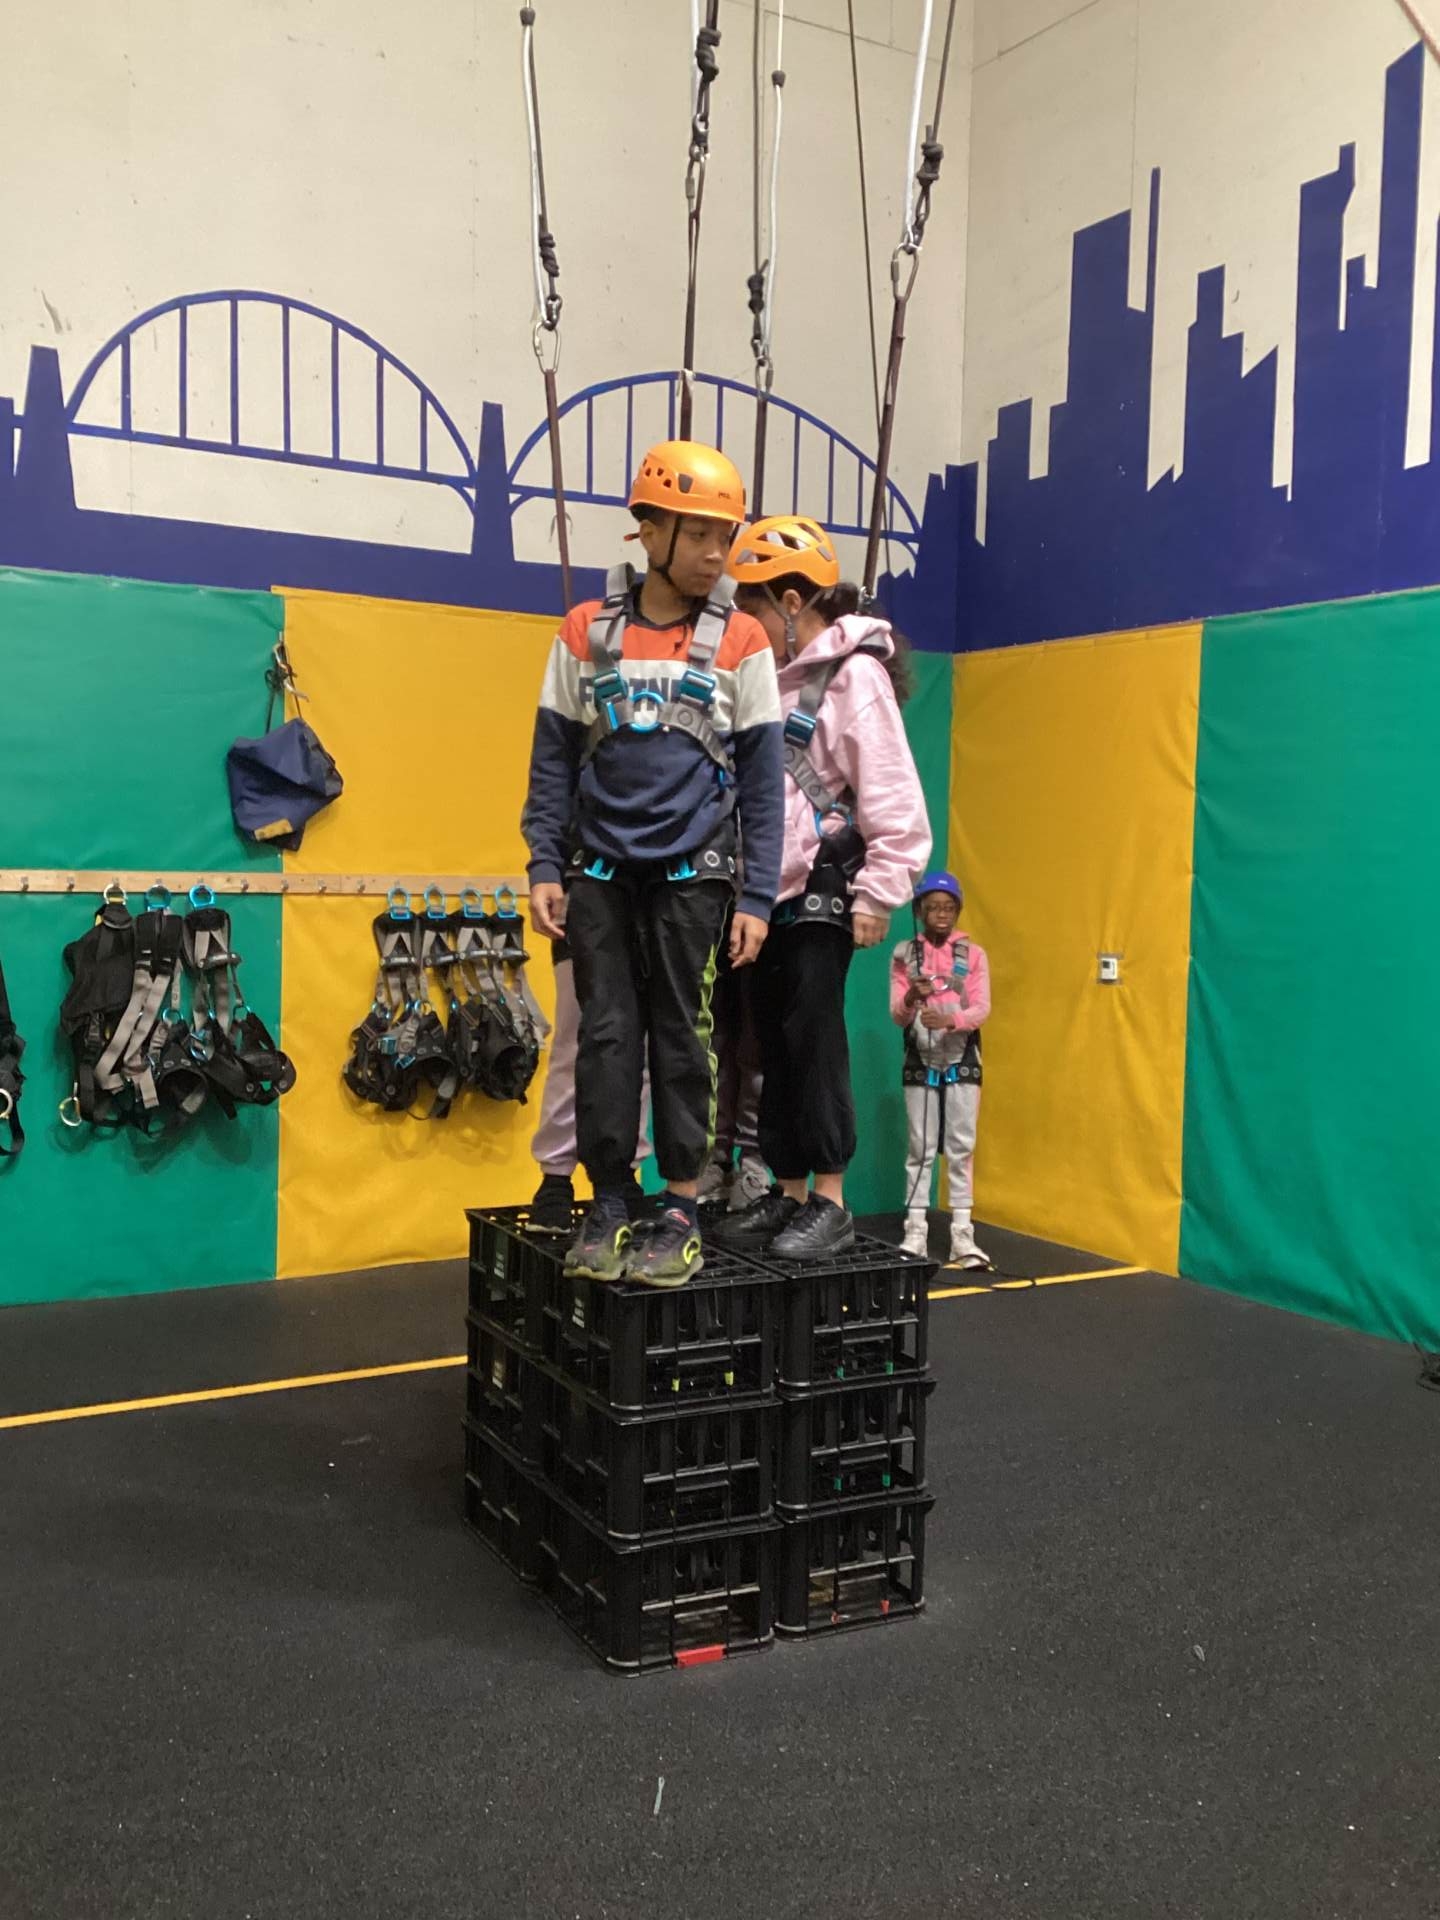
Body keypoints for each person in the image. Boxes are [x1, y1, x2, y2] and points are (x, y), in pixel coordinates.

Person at [522, 441, 783, 1287]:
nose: (717, 554)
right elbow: (553, 759)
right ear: (649, 530)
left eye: (725, 537)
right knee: (604, 1037)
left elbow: (763, 782)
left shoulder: (743, 639)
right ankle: (608, 1198)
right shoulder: (586, 632)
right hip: (597, 868)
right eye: (699, 535)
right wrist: (544, 864)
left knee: (683, 1033)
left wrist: (758, 896)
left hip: (694, 872)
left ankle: (678, 1206)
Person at [715, 514, 930, 1261]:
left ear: (791, 601)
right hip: (763, 896)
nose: (743, 619)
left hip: (821, 888)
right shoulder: (769, 681)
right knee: (769, 1043)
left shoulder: (853, 675)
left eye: (752, 603)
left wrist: (877, 893)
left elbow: (893, 792)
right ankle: (788, 1191)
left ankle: (830, 1199)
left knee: (812, 1040)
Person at [891, 871, 991, 1267]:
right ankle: (915, 1231)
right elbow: (897, 1015)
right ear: (920, 910)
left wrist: (950, 1021)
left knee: (961, 1146)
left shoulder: (973, 955)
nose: (942, 914)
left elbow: (981, 1007)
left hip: (962, 1056)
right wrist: (911, 999)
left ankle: (962, 1236)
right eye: (933, 907)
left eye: (949, 908)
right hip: (921, 1057)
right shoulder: (905, 956)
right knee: (920, 1146)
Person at [528, 938, 652, 1232]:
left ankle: (626, 1173)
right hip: (580, 928)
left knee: (640, 1051)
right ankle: (556, 1179)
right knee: (574, 1046)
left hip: (649, 929)